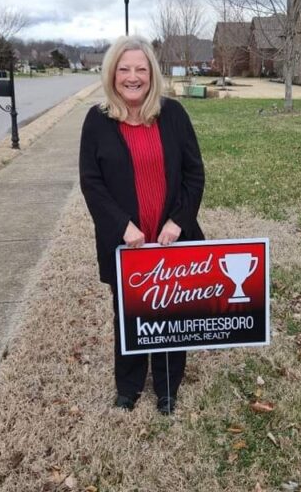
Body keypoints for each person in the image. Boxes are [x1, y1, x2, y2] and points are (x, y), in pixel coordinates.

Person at [79, 35, 205, 415]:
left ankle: (167, 387)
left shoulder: (174, 115)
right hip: (127, 244)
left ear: (151, 74)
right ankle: (129, 385)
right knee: (130, 313)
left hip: (170, 239)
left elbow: (193, 175)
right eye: (124, 69)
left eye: (140, 69)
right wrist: (123, 227)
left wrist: (177, 222)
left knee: (172, 315)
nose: (132, 77)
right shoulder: (97, 121)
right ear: (112, 74)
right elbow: (92, 183)